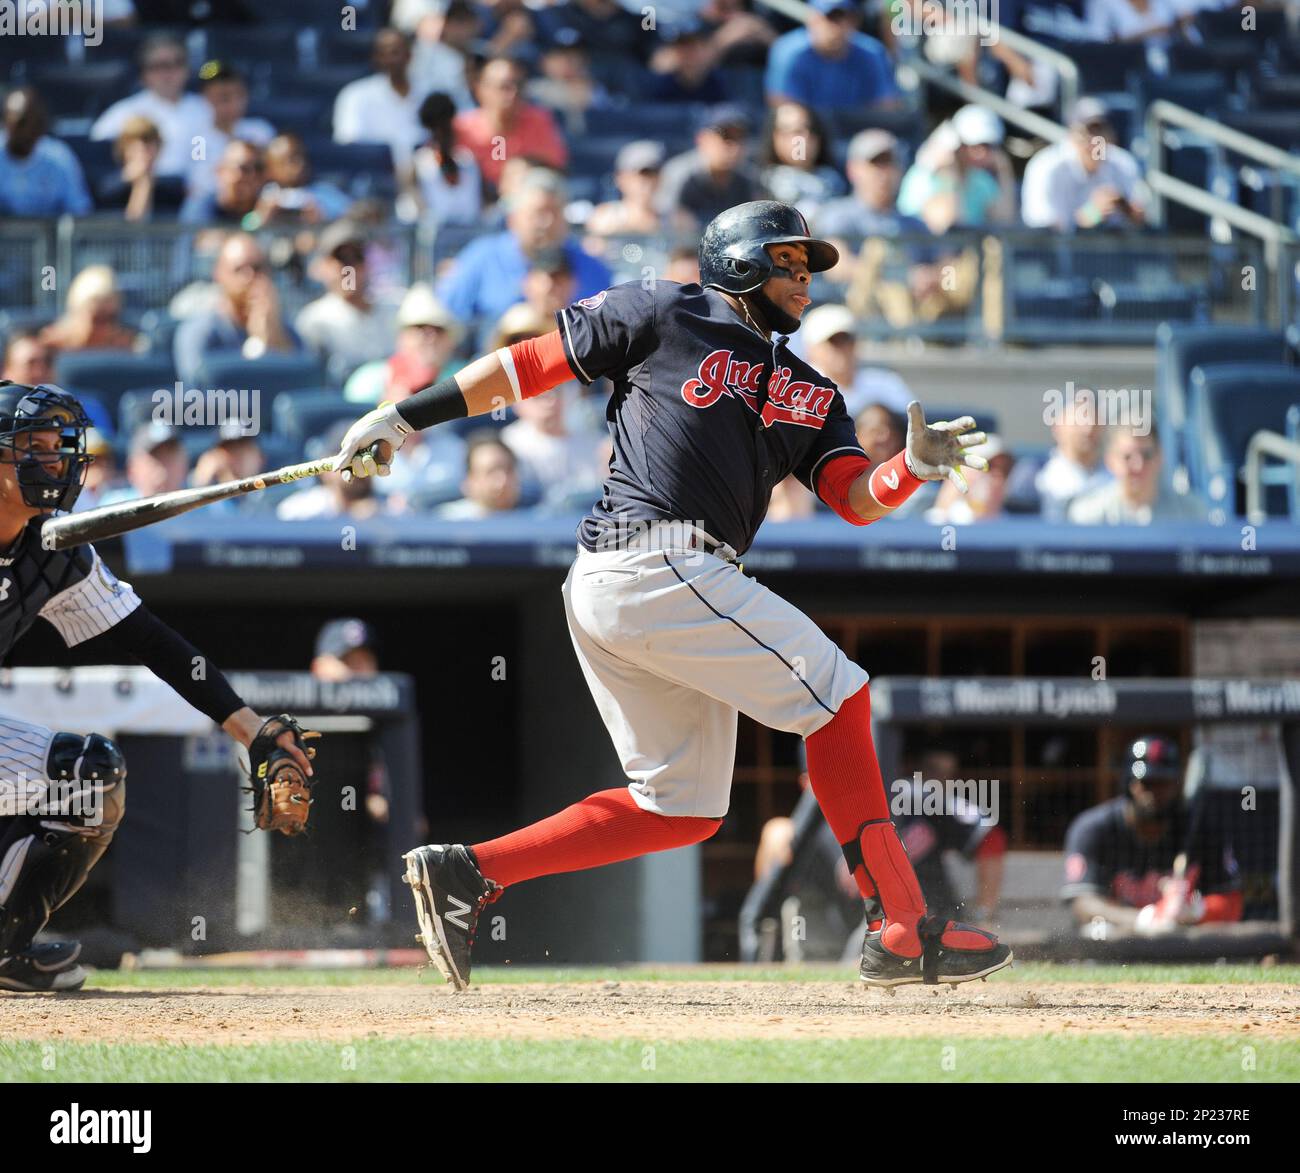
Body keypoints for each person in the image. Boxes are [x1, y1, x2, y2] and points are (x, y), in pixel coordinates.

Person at [333, 199, 1010, 991]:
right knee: (839, 696)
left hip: (647, 582)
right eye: (787, 261)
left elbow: (854, 495)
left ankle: (470, 871)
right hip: (653, 559)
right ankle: (902, 927)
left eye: (806, 265)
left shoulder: (812, 389)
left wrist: (914, 472)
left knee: (681, 808)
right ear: (739, 261)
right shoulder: (667, 308)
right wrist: (406, 417)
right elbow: (530, 367)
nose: (804, 278)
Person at [0, 383, 314, 992]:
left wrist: (253, 730)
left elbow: (150, 641)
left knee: (87, 776)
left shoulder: (54, 551)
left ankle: (6, 950)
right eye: (30, 447)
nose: (51, 462)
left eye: (56, 447)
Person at [1062, 735, 1242, 937]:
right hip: (1118, 940)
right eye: (1147, 783)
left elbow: (1231, 901)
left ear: (1176, 785)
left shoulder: (1201, 827)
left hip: (1179, 942)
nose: (1155, 792)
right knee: (1097, 930)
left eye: (1163, 782)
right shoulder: (1095, 829)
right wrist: (1145, 919)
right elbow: (1083, 903)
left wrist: (1196, 911)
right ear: (1130, 784)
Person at [436, 168, 612, 325]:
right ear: (513, 219)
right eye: (538, 213)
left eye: (555, 212)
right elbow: (445, 320)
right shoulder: (482, 258)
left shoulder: (590, 268)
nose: (546, 223)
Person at [173, 233, 302, 388]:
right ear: (218, 274)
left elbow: (303, 383)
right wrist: (257, 345)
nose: (250, 276)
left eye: (257, 268)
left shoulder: (285, 329)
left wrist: (273, 337)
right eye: (239, 269)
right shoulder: (199, 332)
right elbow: (197, 389)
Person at [90, 33, 213, 182]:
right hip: (143, 188)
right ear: (144, 74)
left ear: (187, 69)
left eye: (177, 63)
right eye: (160, 66)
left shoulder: (207, 108)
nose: (169, 73)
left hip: (195, 191)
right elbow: (98, 153)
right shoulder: (124, 112)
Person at [1022, 97, 1147, 231]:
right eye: (1087, 131)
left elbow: (1142, 217)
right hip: (1059, 250)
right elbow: (1042, 233)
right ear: (1071, 134)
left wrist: (1124, 207)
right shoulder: (1046, 167)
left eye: (1099, 131)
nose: (1093, 140)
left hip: (1112, 248)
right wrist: (1090, 214)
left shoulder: (1122, 162)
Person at [295, 222, 399, 383]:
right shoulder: (314, 320)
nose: (349, 269)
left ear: (367, 264)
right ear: (323, 266)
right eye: (341, 260)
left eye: (355, 258)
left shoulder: (395, 310)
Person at [452, 55, 568, 193]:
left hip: (524, 201)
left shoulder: (538, 119)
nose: (513, 94)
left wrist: (526, 168)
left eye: (518, 85)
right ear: (481, 89)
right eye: (504, 87)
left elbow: (556, 166)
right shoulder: (461, 128)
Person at [898, 105, 1018, 233]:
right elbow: (947, 226)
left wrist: (1003, 171)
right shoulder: (923, 176)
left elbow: (1004, 221)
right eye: (975, 146)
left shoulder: (980, 180)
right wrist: (949, 172)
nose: (982, 153)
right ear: (957, 144)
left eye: (988, 147)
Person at [333, 27, 434, 180]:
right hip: (374, 179)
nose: (391, 59)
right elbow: (350, 147)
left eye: (396, 52)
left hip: (426, 178)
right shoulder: (355, 95)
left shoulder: (430, 94)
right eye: (384, 53)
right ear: (375, 58)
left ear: (409, 55)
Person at [764, 0, 900, 112]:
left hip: (858, 133)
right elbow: (783, 109)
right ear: (813, 19)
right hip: (809, 134)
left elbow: (886, 108)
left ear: (856, 21)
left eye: (845, 18)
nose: (837, 27)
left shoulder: (872, 53)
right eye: (831, 17)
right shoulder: (789, 53)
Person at [1002, 383, 1112, 519]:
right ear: (1057, 425)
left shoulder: (1116, 477)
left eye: (1094, 419)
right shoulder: (1033, 476)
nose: (1088, 428)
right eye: (1080, 418)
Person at [656, 104, 769, 232]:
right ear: (702, 139)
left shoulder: (749, 178)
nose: (734, 145)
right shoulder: (680, 173)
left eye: (740, 137)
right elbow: (664, 223)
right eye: (726, 136)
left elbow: (758, 225)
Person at [1067, 422, 1208, 524]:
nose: (1138, 465)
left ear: (1160, 457)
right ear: (1110, 461)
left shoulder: (1192, 513)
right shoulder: (1087, 516)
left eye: (1146, 455)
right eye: (1127, 457)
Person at [800, 302, 911, 417]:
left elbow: (912, 426)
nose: (842, 348)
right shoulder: (800, 389)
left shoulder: (886, 383)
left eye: (846, 339)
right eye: (833, 342)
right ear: (811, 349)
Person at [0, 88, 92, 217]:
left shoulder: (60, 158)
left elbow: (79, 212)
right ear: (5, 122)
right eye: (21, 123)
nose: (28, 130)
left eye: (35, 123)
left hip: (48, 237)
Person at [191, 60, 276, 196]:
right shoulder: (199, 140)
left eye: (239, 95)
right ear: (206, 98)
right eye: (224, 97)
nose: (234, 103)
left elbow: (272, 177)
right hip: (217, 209)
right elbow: (199, 185)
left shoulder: (261, 131)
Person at [758, 101, 846, 218]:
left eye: (811, 129)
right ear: (776, 138)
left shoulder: (835, 180)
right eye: (796, 131)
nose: (805, 137)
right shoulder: (760, 184)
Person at [411, 92, 482, 228]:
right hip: (438, 235)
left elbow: (481, 203)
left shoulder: (468, 160)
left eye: (445, 127)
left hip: (472, 232)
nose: (441, 133)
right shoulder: (418, 164)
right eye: (435, 128)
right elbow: (419, 209)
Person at [96, 116, 186, 221]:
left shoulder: (172, 189)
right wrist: (132, 178)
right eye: (135, 145)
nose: (143, 151)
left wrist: (146, 181)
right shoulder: (105, 189)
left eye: (149, 144)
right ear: (123, 148)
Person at [252, 134, 352, 227]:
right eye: (289, 160)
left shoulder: (326, 194)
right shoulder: (259, 196)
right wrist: (261, 217)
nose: (300, 163)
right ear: (270, 168)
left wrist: (321, 221)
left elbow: (352, 220)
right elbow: (245, 227)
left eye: (301, 156)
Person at [40, 267, 140, 353]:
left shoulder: (126, 346)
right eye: (98, 319)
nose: (107, 328)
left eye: (112, 318)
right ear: (77, 313)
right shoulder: (49, 349)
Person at [583, 140, 667, 239]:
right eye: (641, 174)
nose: (647, 181)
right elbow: (593, 251)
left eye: (654, 173)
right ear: (621, 178)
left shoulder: (674, 220)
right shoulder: (606, 218)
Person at [924, 434, 1015, 524]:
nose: (997, 475)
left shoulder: (1015, 526)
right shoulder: (934, 522)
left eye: (1005, 469)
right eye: (988, 466)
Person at [434, 431, 523, 518]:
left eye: (508, 470)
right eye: (491, 471)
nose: (503, 480)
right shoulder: (446, 521)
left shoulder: (533, 520)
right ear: (469, 480)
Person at [179, 138, 266, 226]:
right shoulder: (200, 209)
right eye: (244, 168)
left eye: (259, 169)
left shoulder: (269, 209)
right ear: (221, 171)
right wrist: (256, 222)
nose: (253, 175)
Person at [647, 19, 729, 104]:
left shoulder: (717, 82)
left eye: (692, 46)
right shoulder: (662, 84)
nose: (688, 53)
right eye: (682, 46)